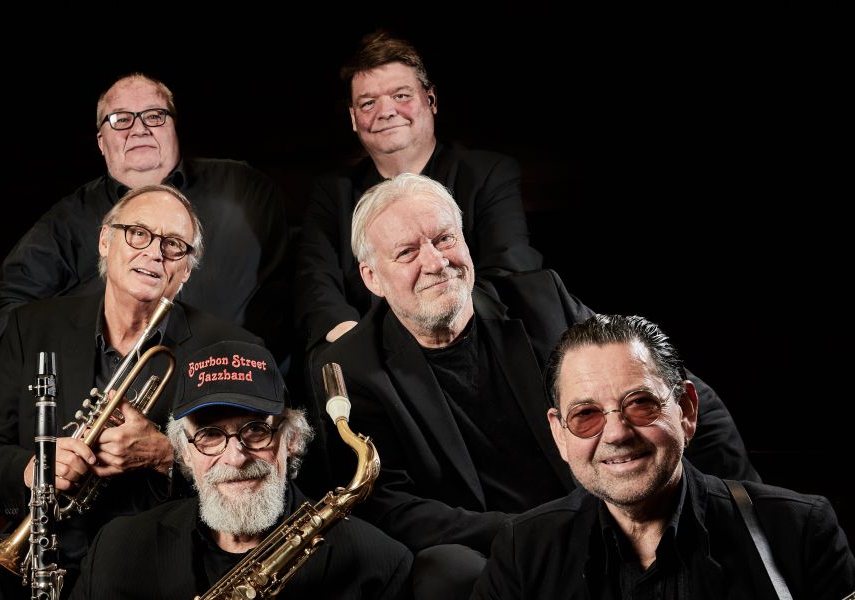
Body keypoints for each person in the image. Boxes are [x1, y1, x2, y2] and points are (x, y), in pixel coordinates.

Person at [312, 173, 758, 599]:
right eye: (407, 252)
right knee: (442, 571)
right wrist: (533, 531)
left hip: (611, 510)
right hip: (496, 546)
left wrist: (745, 510)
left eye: (444, 239)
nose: (435, 262)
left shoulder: (542, 300)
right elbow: (389, 505)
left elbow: (680, 395)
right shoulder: (348, 368)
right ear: (372, 278)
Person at [0, 185, 263, 598]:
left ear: (186, 270)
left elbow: (257, 472)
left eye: (173, 245)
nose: (154, 253)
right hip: (46, 546)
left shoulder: (231, 349)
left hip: (156, 554)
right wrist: (33, 469)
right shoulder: (31, 326)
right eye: (139, 233)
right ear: (105, 241)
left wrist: (166, 454)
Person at [472, 314, 855, 599]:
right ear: (560, 433)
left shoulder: (800, 531)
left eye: (640, 403)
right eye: (586, 414)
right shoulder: (523, 552)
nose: (617, 433)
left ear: (686, 410)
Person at [70, 340, 412, 599]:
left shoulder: (379, 564)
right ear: (184, 452)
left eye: (256, 431)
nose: (235, 458)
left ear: (291, 439)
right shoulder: (117, 550)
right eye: (209, 435)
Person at [0, 73, 289, 360]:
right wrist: (77, 368)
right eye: (121, 119)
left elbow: (287, 287)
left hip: (235, 378)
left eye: (154, 116)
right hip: (117, 387)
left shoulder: (244, 188)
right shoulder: (68, 220)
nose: (139, 129)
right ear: (101, 142)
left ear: (173, 127)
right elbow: (7, 316)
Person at [295, 31, 543, 349]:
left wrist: (427, 334)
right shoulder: (333, 193)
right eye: (368, 103)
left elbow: (509, 272)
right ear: (354, 119)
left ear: (431, 100)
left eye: (401, 96)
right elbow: (315, 281)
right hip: (366, 353)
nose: (386, 111)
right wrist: (358, 347)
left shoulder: (487, 173)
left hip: (469, 342)